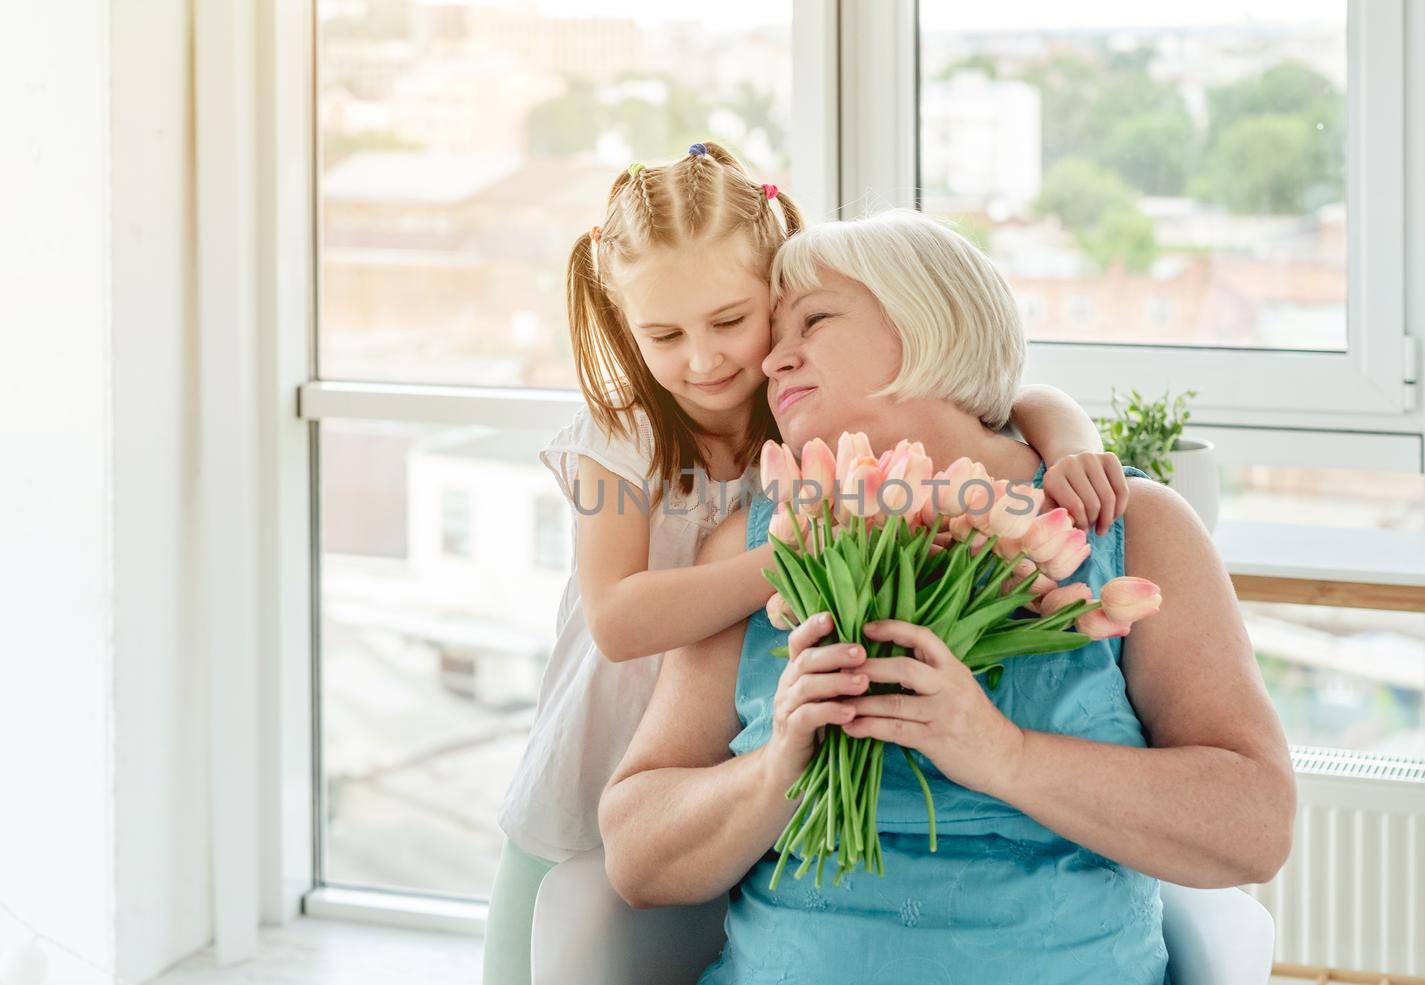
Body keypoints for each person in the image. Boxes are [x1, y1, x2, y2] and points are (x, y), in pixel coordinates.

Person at [483, 148, 1134, 985]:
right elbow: (618, 621)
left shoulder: (795, 410)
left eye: (730, 321)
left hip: (736, 755)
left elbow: (1006, 398)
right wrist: (792, 553)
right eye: (664, 335)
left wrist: (1073, 442)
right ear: (625, 324)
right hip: (603, 753)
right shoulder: (623, 437)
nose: (704, 359)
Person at [600, 210, 1296, 984]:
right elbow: (635, 855)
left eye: (812, 320)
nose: (770, 359)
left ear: (929, 320)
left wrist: (1004, 755)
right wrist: (778, 767)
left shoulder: (1130, 526)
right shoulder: (762, 542)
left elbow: (1255, 826)